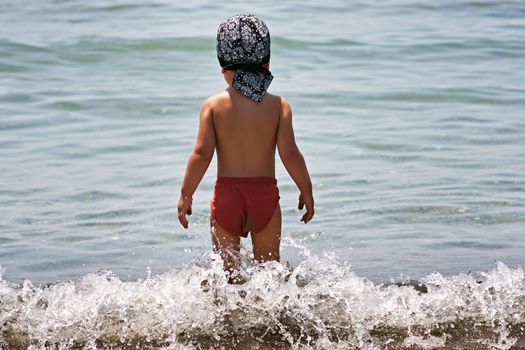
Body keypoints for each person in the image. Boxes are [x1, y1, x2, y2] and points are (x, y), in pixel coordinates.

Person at [177, 14, 314, 279]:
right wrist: (305, 189)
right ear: (267, 63)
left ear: (223, 70)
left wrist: (186, 194)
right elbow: (290, 153)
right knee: (269, 274)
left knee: (225, 277)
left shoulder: (213, 106)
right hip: (265, 197)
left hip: (227, 197)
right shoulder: (279, 106)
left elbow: (202, 154)